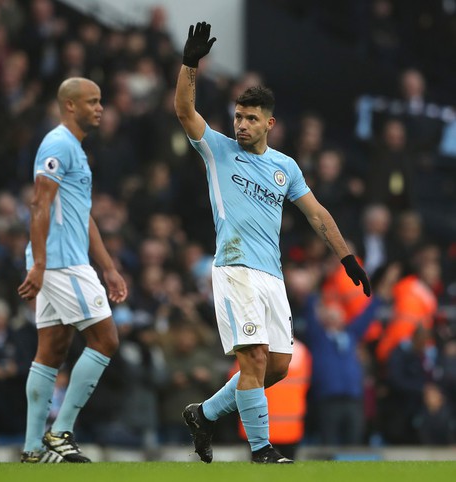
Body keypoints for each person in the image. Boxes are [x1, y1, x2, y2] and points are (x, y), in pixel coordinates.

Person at [174, 22, 371, 464]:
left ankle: (204, 414)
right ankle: (261, 450)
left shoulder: (285, 167)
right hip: (235, 265)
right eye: (238, 117)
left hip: (271, 274)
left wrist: (347, 257)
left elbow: (316, 213)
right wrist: (190, 65)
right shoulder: (218, 150)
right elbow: (186, 112)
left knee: (278, 365)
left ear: (269, 123)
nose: (241, 124)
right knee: (255, 357)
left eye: (250, 118)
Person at [17, 77, 128, 463]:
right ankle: (61, 431)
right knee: (106, 339)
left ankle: (32, 448)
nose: (100, 108)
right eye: (92, 101)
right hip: (62, 263)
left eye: (101, 101)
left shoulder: (75, 150)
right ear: (70, 105)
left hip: (61, 260)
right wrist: (43, 263)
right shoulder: (58, 145)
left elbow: (82, 215)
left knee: (51, 350)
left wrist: (109, 268)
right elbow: (38, 204)